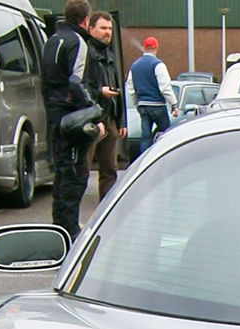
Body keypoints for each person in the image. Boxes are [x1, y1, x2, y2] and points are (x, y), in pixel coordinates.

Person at [40, 0, 94, 238]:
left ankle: (59, 225)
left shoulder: (52, 40)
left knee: (62, 172)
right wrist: (91, 107)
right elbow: (75, 80)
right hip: (70, 115)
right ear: (85, 20)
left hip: (53, 111)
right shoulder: (78, 42)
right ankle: (69, 229)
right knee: (75, 172)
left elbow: (45, 78)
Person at [84, 11, 124, 200]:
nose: (107, 32)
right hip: (91, 119)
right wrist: (100, 92)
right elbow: (81, 85)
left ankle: (106, 210)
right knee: (82, 170)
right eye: (103, 28)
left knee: (110, 170)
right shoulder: (86, 53)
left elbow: (119, 87)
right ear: (91, 29)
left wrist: (121, 120)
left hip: (110, 118)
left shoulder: (109, 55)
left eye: (109, 28)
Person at [126, 36, 178, 157]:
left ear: (144, 47)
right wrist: (174, 104)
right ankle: (166, 157)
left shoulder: (134, 66)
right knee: (167, 134)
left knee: (145, 136)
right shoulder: (158, 65)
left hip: (143, 105)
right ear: (156, 48)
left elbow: (131, 89)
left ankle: (143, 160)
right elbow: (164, 87)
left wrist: (137, 104)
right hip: (157, 105)